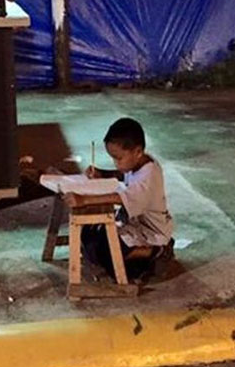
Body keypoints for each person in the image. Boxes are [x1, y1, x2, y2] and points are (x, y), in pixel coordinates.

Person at [64, 117, 174, 282]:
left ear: (137, 152)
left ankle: (156, 251)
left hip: (151, 234)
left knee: (112, 260)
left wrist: (83, 199)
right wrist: (102, 173)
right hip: (134, 226)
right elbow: (123, 174)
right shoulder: (138, 162)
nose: (115, 163)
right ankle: (137, 254)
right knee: (88, 234)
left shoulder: (148, 176)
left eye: (118, 158)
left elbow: (120, 198)